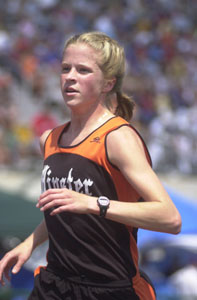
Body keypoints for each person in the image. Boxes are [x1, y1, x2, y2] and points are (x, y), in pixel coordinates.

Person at [0, 32, 182, 300]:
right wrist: (30, 242)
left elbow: (170, 218)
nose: (70, 77)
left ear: (108, 83)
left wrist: (94, 203)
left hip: (109, 288)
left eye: (83, 70)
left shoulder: (117, 137)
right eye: (65, 68)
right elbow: (62, 208)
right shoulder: (49, 139)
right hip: (56, 284)